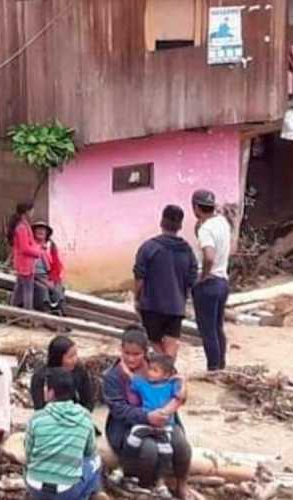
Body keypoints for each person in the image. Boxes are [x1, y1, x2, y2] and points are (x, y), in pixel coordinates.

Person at [102, 327, 191, 496]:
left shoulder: (160, 366)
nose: (131, 358)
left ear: (145, 352)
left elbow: (178, 394)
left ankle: (181, 484)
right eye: (127, 353)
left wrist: (168, 410)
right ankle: (149, 485)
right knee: (149, 451)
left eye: (136, 354)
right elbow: (119, 410)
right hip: (128, 425)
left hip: (164, 420)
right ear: (121, 350)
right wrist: (147, 417)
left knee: (181, 445)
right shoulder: (113, 376)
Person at [133, 205, 198, 360]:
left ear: (162, 222)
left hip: (152, 305)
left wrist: (137, 298)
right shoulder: (187, 250)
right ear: (180, 226)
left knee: (154, 343)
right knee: (171, 344)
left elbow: (139, 277)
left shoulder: (149, 247)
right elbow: (192, 279)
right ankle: (168, 372)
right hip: (175, 308)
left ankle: (163, 370)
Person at [24, 369, 101, 500]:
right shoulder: (84, 417)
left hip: (34, 486)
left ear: (51, 392)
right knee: (96, 461)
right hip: (66, 491)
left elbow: (28, 453)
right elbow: (90, 452)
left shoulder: (37, 418)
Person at [126, 354, 187, 490]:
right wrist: (123, 365)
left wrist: (182, 381)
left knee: (166, 452)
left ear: (166, 375)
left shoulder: (171, 385)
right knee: (132, 441)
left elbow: (181, 397)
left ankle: (162, 481)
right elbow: (130, 377)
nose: (149, 372)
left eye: (154, 370)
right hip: (146, 422)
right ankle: (125, 470)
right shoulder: (143, 384)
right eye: (150, 369)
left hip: (165, 426)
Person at [191, 189, 232, 372]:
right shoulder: (222, 222)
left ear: (197, 208)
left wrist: (203, 276)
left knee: (207, 330)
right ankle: (221, 365)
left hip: (209, 283)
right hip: (223, 281)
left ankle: (213, 368)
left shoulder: (205, 229)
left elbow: (208, 256)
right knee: (217, 327)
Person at [29, 336, 95, 413]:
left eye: (75, 354)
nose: (75, 359)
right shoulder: (41, 377)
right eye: (70, 357)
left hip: (75, 416)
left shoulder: (79, 371)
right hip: (49, 418)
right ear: (58, 358)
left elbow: (88, 402)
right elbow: (39, 407)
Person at [7, 202, 47, 311]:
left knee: (19, 290)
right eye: (32, 210)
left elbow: (31, 243)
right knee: (28, 291)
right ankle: (28, 315)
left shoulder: (24, 225)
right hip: (25, 264)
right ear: (26, 212)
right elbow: (25, 248)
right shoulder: (22, 228)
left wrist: (38, 247)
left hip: (24, 263)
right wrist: (38, 252)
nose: (33, 212)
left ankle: (11, 312)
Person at [32, 220, 66, 314]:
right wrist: (46, 282)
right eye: (38, 229)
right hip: (36, 277)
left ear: (47, 233)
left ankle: (61, 312)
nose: (41, 231)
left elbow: (56, 266)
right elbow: (33, 270)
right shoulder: (31, 247)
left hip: (49, 276)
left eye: (43, 230)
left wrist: (53, 279)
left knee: (58, 287)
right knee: (43, 289)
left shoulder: (50, 247)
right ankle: (46, 313)